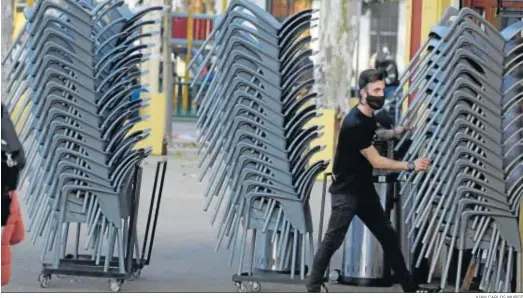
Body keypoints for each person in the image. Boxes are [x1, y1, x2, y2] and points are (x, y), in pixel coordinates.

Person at [306, 69, 440, 293]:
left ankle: (409, 288)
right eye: (376, 90)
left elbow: (375, 135)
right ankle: (312, 288)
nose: (381, 94)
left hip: (363, 191)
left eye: (382, 90)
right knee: (333, 239)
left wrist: (395, 132)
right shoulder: (354, 122)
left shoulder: (369, 118)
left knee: (387, 235)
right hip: (346, 192)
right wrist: (410, 165)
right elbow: (377, 161)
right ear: (362, 93)